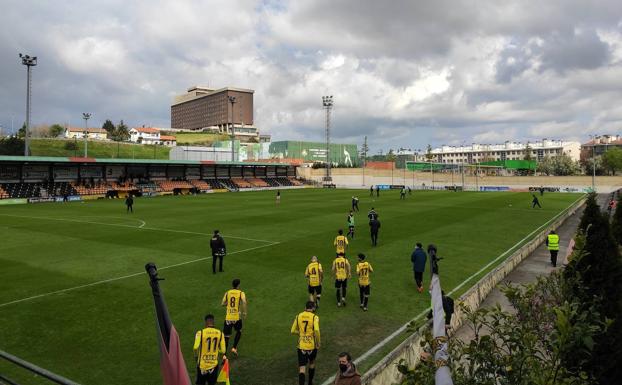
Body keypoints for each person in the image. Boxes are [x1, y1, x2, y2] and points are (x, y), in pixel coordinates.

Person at [291, 301, 320, 385]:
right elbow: (317, 331)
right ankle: (310, 382)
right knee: (312, 363)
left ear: (305, 307)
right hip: (312, 345)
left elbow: (292, 331)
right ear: (313, 308)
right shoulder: (315, 317)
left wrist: (300, 333)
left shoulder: (298, 316)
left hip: (301, 346)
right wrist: (318, 342)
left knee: (302, 368)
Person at [193, 314, 226, 385]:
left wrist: (196, 356)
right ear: (213, 322)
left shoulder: (200, 333)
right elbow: (223, 350)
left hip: (202, 366)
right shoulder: (220, 333)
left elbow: (195, 347)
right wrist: (217, 350)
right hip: (213, 366)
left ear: (206, 323)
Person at [221, 279, 247, 356]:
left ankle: (224, 355)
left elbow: (222, 304)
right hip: (237, 317)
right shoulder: (241, 293)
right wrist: (245, 312)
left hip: (228, 317)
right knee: (239, 331)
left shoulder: (227, 293)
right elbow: (244, 301)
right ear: (238, 285)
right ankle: (234, 348)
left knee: (226, 336)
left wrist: (228, 303)